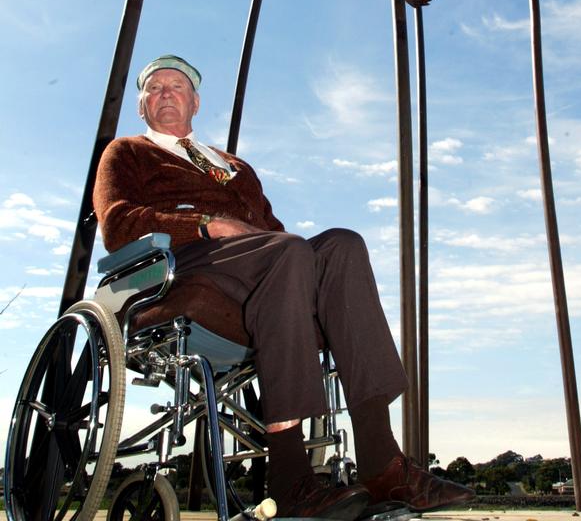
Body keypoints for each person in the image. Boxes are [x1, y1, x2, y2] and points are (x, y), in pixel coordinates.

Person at [94, 54, 473, 520]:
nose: (166, 94)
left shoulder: (234, 166)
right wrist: (205, 224)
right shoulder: (128, 152)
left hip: (264, 270)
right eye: (155, 88)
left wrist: (299, 270)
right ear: (141, 106)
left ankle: (382, 461)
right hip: (186, 265)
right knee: (289, 252)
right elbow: (117, 225)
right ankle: (290, 477)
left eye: (177, 87)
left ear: (195, 103)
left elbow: (275, 233)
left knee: (342, 246)